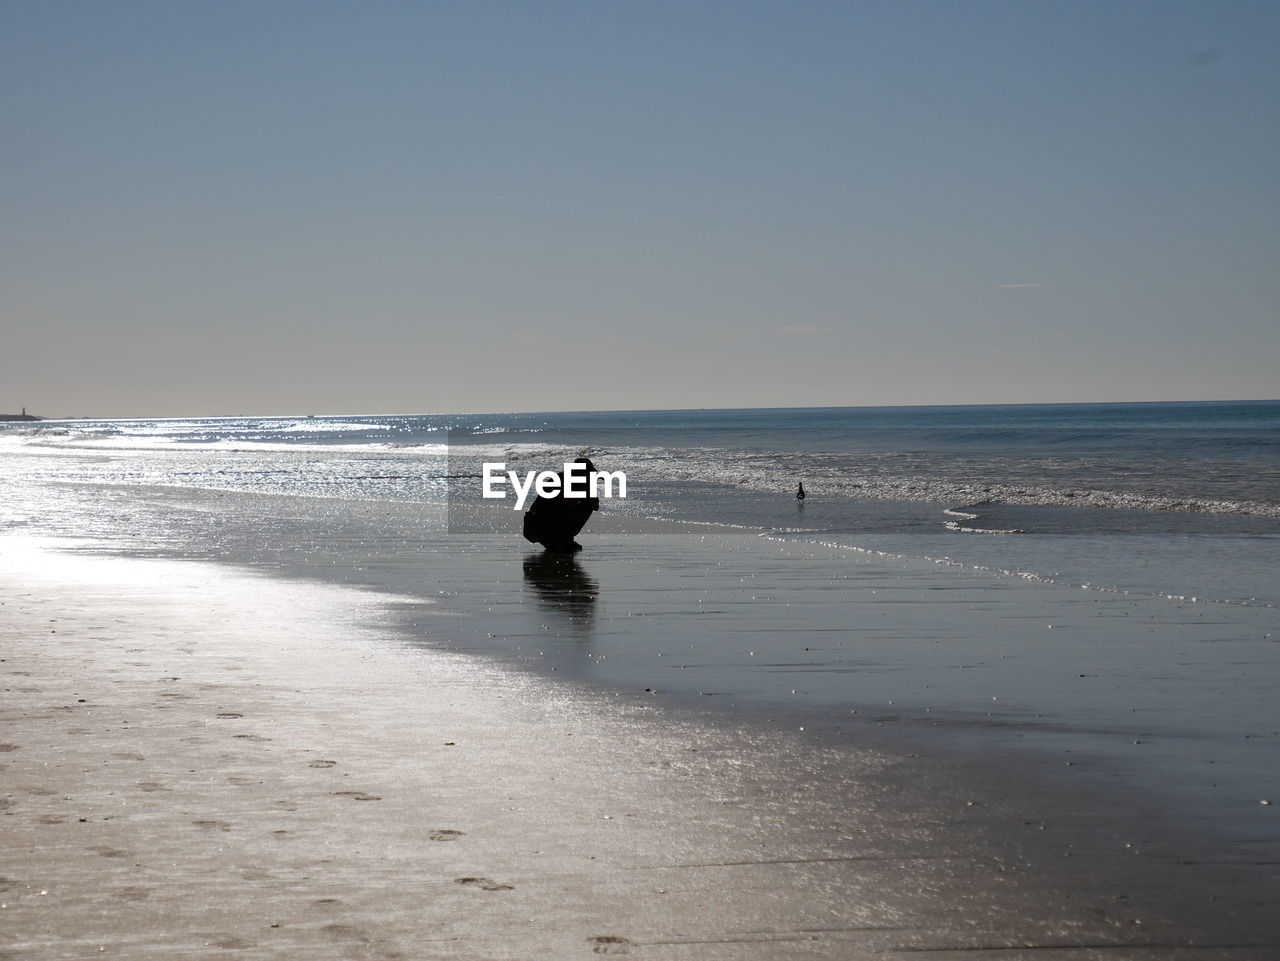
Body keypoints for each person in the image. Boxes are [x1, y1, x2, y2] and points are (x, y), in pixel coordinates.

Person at [522, 457, 600, 553]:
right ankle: (557, 541)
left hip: (548, 522)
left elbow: (595, 506)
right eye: (587, 473)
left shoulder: (580, 482)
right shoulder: (562, 479)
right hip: (535, 526)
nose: (589, 476)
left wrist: (589, 487)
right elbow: (569, 504)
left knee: (587, 505)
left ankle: (565, 539)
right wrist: (584, 486)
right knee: (566, 508)